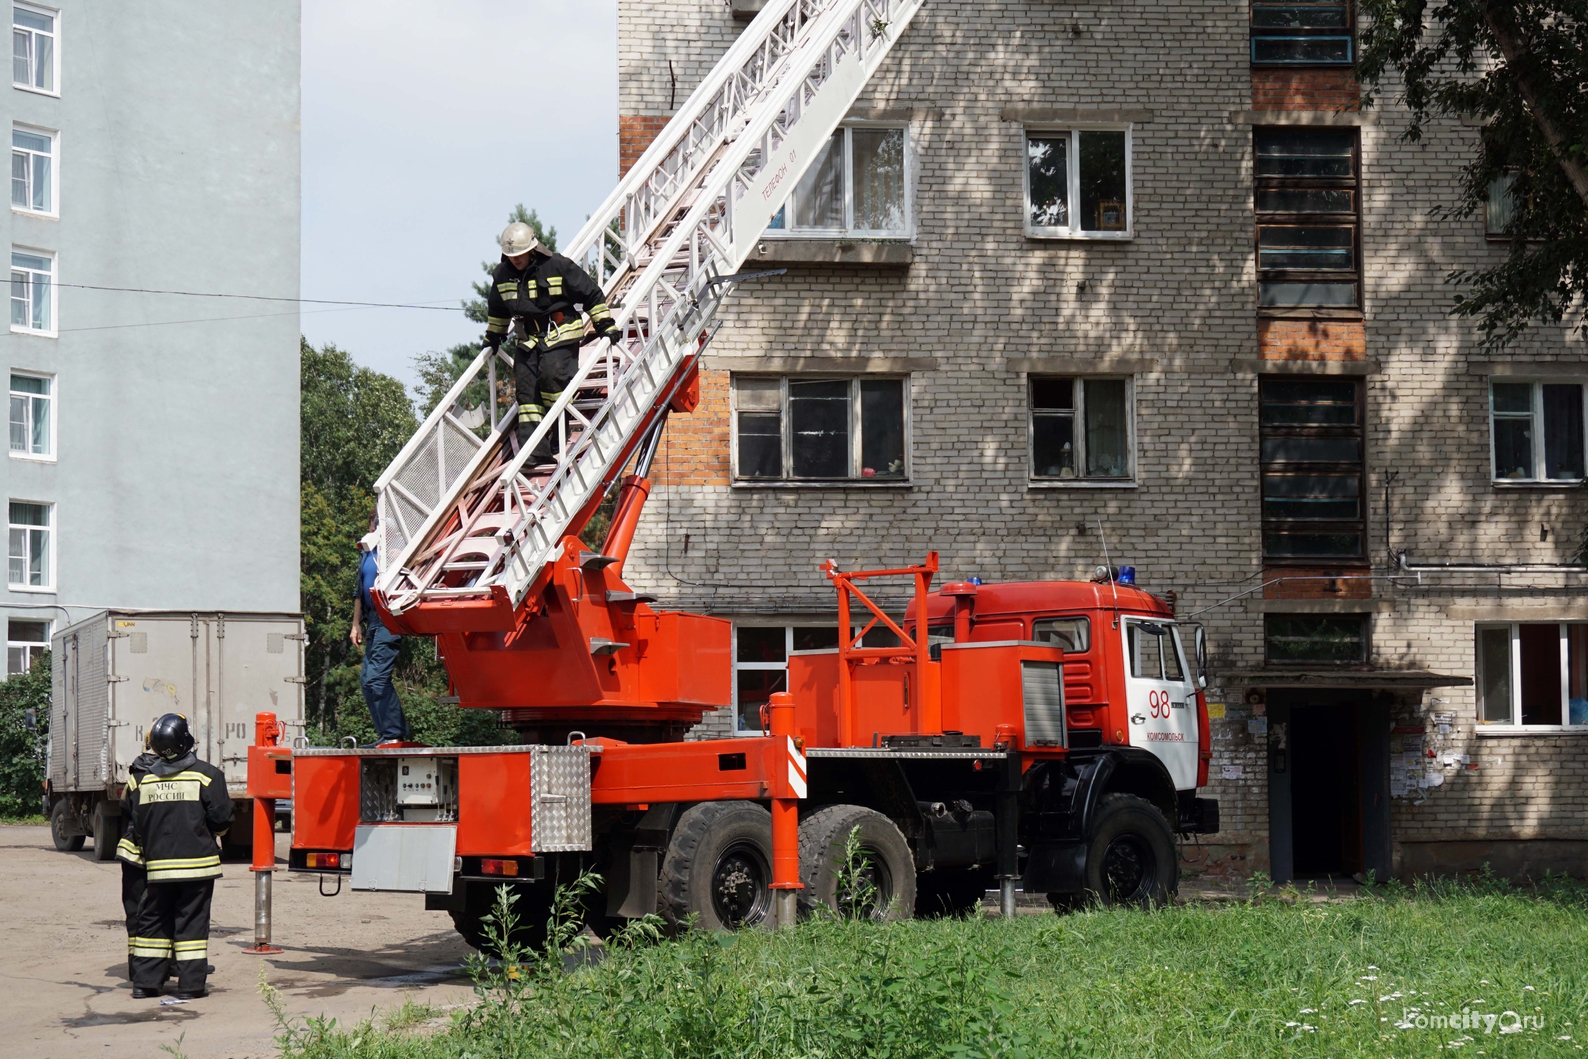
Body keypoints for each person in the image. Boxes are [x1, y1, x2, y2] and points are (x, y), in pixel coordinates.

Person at [483, 221, 622, 459]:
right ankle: (534, 452)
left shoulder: (558, 266)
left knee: (552, 381)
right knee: (527, 396)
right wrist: (493, 336)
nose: (515, 261)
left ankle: (558, 434)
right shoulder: (502, 276)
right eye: (511, 256)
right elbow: (497, 310)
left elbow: (591, 294)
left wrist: (604, 324)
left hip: (560, 334)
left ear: (532, 250)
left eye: (520, 256)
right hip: (528, 340)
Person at [125, 713, 231, 999]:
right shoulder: (208, 775)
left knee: (153, 922)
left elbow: (134, 821)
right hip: (198, 867)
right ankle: (190, 986)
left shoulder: (142, 781)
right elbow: (222, 820)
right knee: (191, 923)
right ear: (186, 741)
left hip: (157, 868)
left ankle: (145, 984)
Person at [351, 511, 409, 745]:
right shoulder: (366, 555)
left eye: (376, 527)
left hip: (389, 618)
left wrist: (395, 554)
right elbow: (358, 591)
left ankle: (394, 733)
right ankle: (385, 734)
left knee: (377, 679)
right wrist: (355, 624)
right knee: (366, 680)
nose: (372, 531)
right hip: (372, 620)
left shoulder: (395, 552)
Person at [117, 732, 161, 982]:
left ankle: (137, 967)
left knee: (135, 910)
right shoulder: (176, 773)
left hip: (133, 854)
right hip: (164, 855)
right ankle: (168, 964)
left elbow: (126, 809)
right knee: (165, 910)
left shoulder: (135, 778)